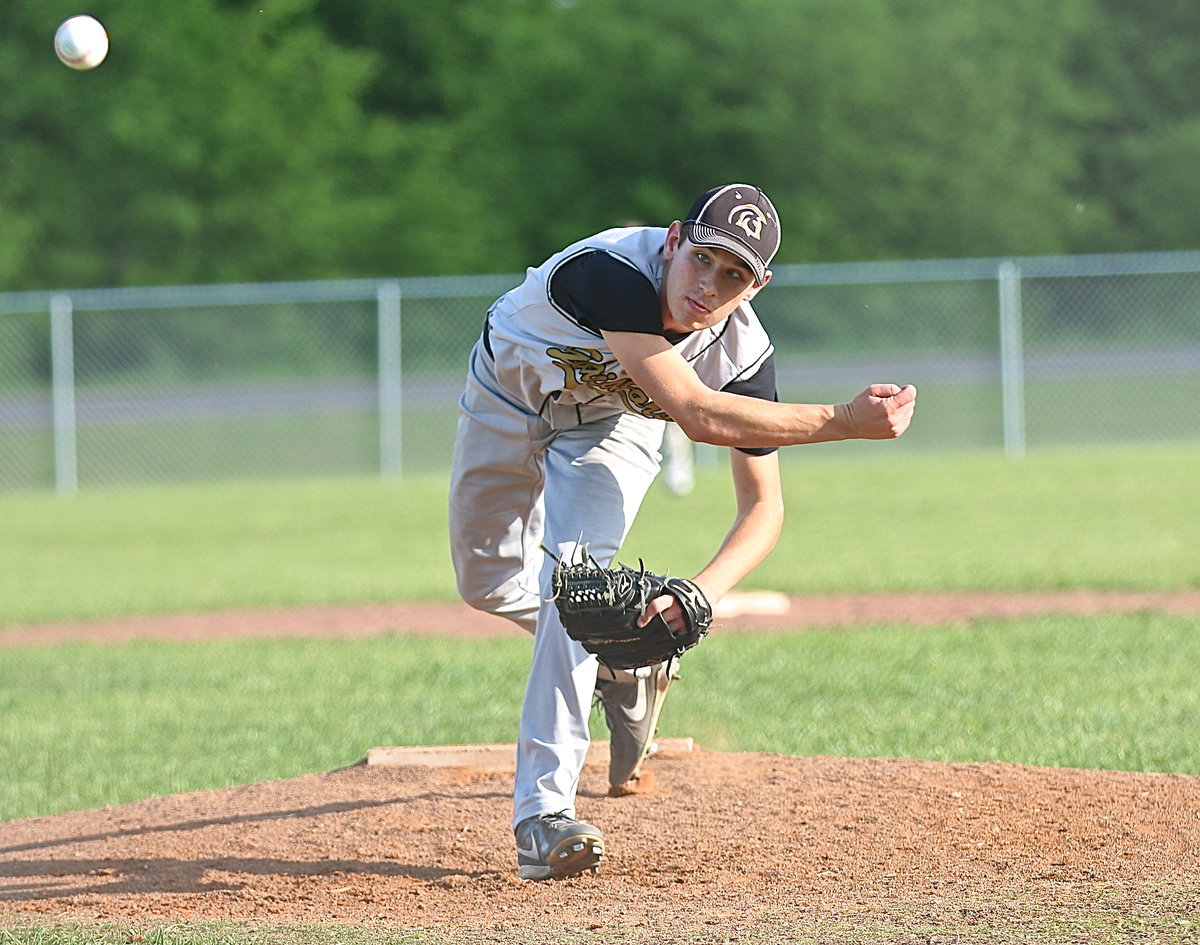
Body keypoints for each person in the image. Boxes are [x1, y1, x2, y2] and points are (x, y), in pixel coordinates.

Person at [448, 183, 916, 881]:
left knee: (574, 591)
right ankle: (626, 662)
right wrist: (845, 421)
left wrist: (701, 593)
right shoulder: (612, 273)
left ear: (759, 286)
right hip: (508, 393)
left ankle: (542, 814)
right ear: (672, 240)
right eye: (702, 259)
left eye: (735, 275)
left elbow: (764, 509)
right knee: (484, 583)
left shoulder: (743, 353)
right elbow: (698, 415)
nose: (709, 286)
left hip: (613, 429)